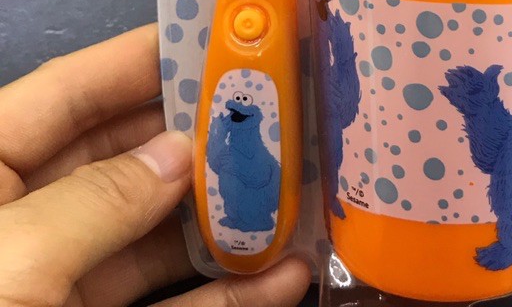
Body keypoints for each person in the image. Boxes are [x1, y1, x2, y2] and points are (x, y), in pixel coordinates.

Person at [0, 25, 312, 307]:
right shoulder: (229, 128)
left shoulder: (256, 143)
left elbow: (261, 174)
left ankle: (251, 220)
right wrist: (219, 133)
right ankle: (239, 218)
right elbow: (217, 163)